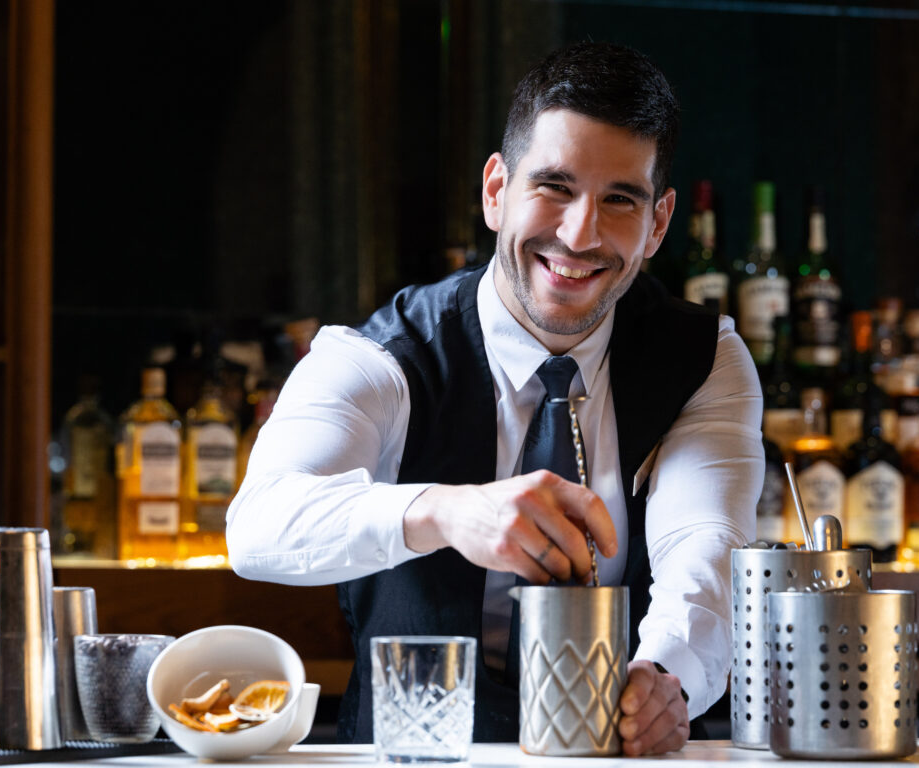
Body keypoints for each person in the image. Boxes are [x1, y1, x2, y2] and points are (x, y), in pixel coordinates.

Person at [226, 41, 761, 755]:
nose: (579, 234)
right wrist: (445, 509)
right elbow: (258, 526)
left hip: (615, 759)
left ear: (659, 224)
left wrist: (667, 676)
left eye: (620, 200)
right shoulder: (379, 357)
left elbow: (705, 547)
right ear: (495, 191)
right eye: (554, 187)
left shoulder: (704, 358)